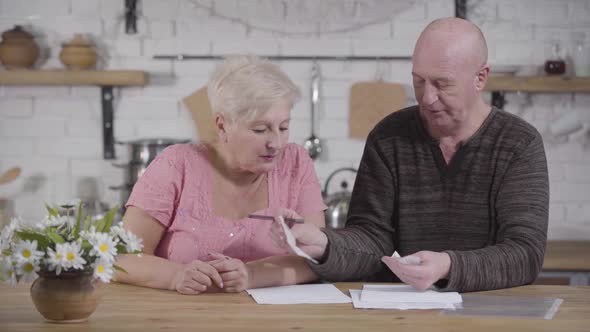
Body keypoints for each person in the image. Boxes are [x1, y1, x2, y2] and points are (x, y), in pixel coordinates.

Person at [274, 17, 549, 293]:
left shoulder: (518, 144)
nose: (427, 97)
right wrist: (324, 245)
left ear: (480, 78)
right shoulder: (389, 137)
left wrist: (448, 266)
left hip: (494, 311)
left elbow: (524, 254)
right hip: (404, 310)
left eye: (442, 84)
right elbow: (371, 241)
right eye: (419, 81)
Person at [115, 56, 326, 294]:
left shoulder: (296, 163)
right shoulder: (176, 165)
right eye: (260, 129)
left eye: (284, 127)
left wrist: (252, 275)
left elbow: (317, 259)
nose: (276, 143)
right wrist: (175, 276)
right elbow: (122, 258)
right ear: (222, 125)